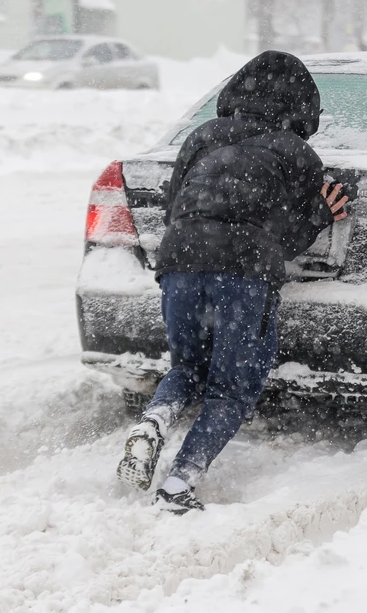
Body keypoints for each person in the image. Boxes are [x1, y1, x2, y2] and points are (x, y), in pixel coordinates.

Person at [115, 51, 348, 513]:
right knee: (231, 389)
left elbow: (174, 204)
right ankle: (179, 484)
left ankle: (155, 420)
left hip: (179, 260)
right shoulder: (298, 153)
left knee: (185, 369)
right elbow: (290, 239)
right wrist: (324, 211)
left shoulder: (202, 137)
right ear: (303, 106)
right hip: (244, 273)